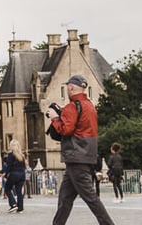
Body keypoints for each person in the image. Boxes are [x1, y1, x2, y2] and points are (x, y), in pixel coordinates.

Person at [47, 74, 116, 225]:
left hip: (75, 155)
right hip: (86, 154)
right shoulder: (89, 105)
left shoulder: (73, 106)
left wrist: (54, 118)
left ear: (71, 87)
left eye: (67, 87)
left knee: (90, 197)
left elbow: (66, 130)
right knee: (65, 198)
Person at [2, 139, 26, 213]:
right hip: (22, 175)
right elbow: (24, 166)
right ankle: (20, 208)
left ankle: (13, 204)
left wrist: (5, 176)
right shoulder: (22, 156)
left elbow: (9, 166)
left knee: (7, 189)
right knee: (19, 191)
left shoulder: (11, 155)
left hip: (14, 174)